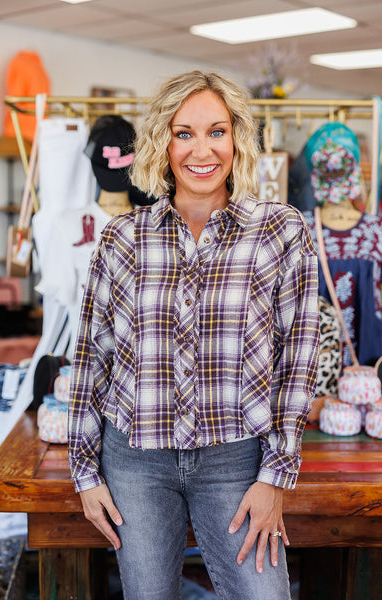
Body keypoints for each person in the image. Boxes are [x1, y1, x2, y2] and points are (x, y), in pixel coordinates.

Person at [68, 70, 320, 600]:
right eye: (183, 133)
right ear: (162, 143)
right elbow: (92, 358)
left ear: (238, 139)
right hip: (136, 460)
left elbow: (297, 362)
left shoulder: (281, 231)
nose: (201, 150)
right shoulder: (122, 238)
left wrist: (275, 475)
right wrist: (85, 473)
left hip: (236, 458)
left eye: (216, 131)